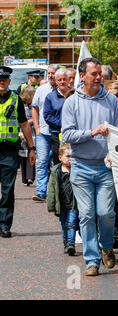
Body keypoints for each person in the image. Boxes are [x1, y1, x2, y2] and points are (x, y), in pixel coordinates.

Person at [62, 57, 118, 277]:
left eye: (100, 73)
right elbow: (67, 134)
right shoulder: (72, 102)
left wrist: (112, 148)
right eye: (94, 74)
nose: (99, 77)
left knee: (106, 212)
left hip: (106, 167)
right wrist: (92, 132)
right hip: (81, 166)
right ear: (82, 76)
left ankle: (107, 245)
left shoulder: (112, 101)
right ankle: (92, 260)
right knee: (87, 214)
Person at [0, 66, 36, 238]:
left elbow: (24, 124)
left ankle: (5, 224)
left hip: (9, 150)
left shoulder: (15, 100)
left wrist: (31, 147)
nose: (1, 81)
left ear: (9, 81)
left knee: (7, 190)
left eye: (4, 79)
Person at [31, 64, 58, 202]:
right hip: (43, 132)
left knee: (57, 163)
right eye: (49, 73)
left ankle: (54, 192)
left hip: (58, 133)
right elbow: (35, 109)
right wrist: (36, 128)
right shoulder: (41, 90)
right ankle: (41, 191)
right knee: (41, 162)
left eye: (53, 73)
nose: (51, 75)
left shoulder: (63, 90)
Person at [46, 142, 78, 256]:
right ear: (60, 157)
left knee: (72, 223)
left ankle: (71, 244)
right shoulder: (56, 171)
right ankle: (65, 243)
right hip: (62, 203)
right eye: (68, 156)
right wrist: (51, 205)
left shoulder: (77, 170)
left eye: (72, 156)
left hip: (73, 203)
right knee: (64, 224)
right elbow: (51, 189)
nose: (70, 159)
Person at [43, 68, 72, 167]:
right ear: (56, 82)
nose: (62, 82)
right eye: (59, 80)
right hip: (56, 135)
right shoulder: (50, 97)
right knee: (58, 163)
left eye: (64, 79)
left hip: (73, 134)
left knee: (72, 162)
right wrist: (62, 124)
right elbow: (47, 116)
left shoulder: (74, 95)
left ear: (68, 80)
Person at [19, 85, 37, 186]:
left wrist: (30, 121)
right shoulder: (21, 104)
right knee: (23, 155)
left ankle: (30, 177)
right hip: (22, 133)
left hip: (32, 133)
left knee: (31, 153)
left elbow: (37, 118)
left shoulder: (35, 105)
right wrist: (19, 131)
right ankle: (24, 178)